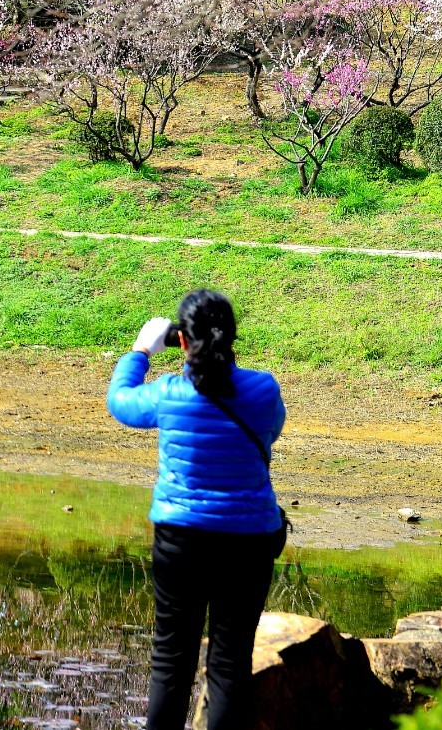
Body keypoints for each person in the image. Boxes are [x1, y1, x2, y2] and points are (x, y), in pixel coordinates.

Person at [107, 289, 287, 730]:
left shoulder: (169, 393)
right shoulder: (264, 389)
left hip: (180, 539)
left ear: (182, 341)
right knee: (229, 664)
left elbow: (120, 402)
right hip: (249, 540)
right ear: (231, 337)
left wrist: (141, 350)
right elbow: (272, 429)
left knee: (171, 659)